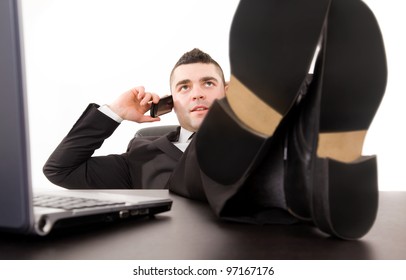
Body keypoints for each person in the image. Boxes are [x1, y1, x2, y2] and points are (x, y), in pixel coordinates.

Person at [44, 0, 387, 240]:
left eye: (208, 83)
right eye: (184, 87)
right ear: (170, 102)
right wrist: (114, 112)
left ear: (226, 90)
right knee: (213, 150)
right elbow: (61, 171)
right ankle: (290, 129)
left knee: (279, 130)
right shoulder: (138, 157)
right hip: (194, 243)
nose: (197, 93)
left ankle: (309, 137)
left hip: (281, 216)